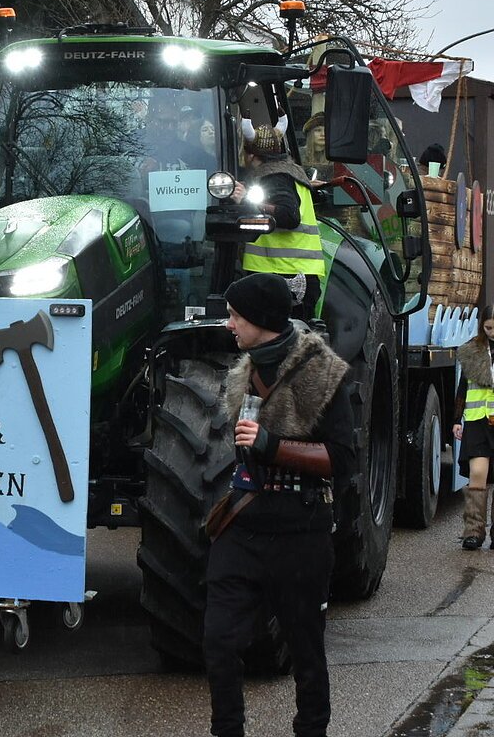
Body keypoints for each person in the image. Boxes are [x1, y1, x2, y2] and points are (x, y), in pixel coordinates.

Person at [204, 273, 355, 737]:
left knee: (305, 651)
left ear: (262, 319)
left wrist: (271, 445)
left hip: (301, 530)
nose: (228, 324)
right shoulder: (242, 373)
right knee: (218, 641)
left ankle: (311, 730)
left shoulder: (322, 374)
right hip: (243, 525)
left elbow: (342, 460)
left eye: (235, 316)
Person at [231, 115, 326, 321]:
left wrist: (246, 200)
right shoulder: (288, 172)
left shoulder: (274, 176)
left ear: (251, 154)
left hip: (284, 276)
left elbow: (289, 216)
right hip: (293, 273)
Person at [453, 307, 494, 550]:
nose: (492, 332)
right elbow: (463, 387)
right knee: (477, 473)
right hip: (478, 421)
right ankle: (474, 531)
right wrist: (457, 420)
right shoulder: (472, 350)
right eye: (488, 327)